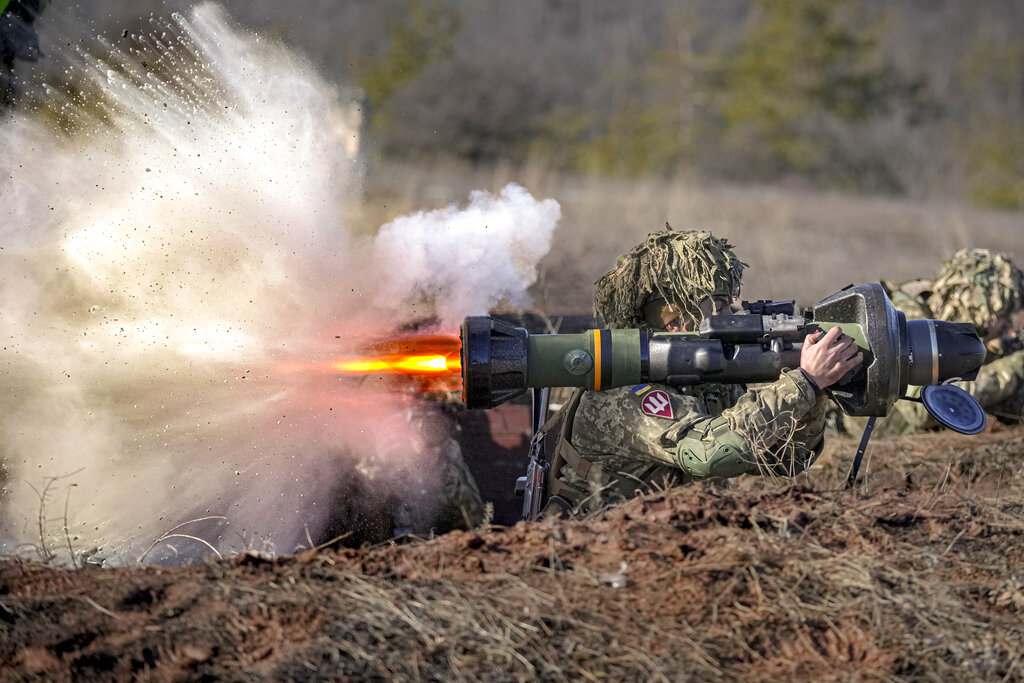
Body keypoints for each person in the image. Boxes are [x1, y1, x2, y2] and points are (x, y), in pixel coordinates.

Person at [537, 227, 863, 518]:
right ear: (674, 318)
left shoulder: (704, 382)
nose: (730, 315)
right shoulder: (624, 392)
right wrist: (803, 382)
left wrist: (815, 391)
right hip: (592, 552)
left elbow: (785, 460)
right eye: (716, 307)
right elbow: (710, 454)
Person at [842, 248, 1024, 436]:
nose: (1008, 327)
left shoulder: (938, 312)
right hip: (856, 431)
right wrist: (1011, 370)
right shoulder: (903, 321)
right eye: (1003, 318)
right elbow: (925, 405)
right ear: (980, 306)